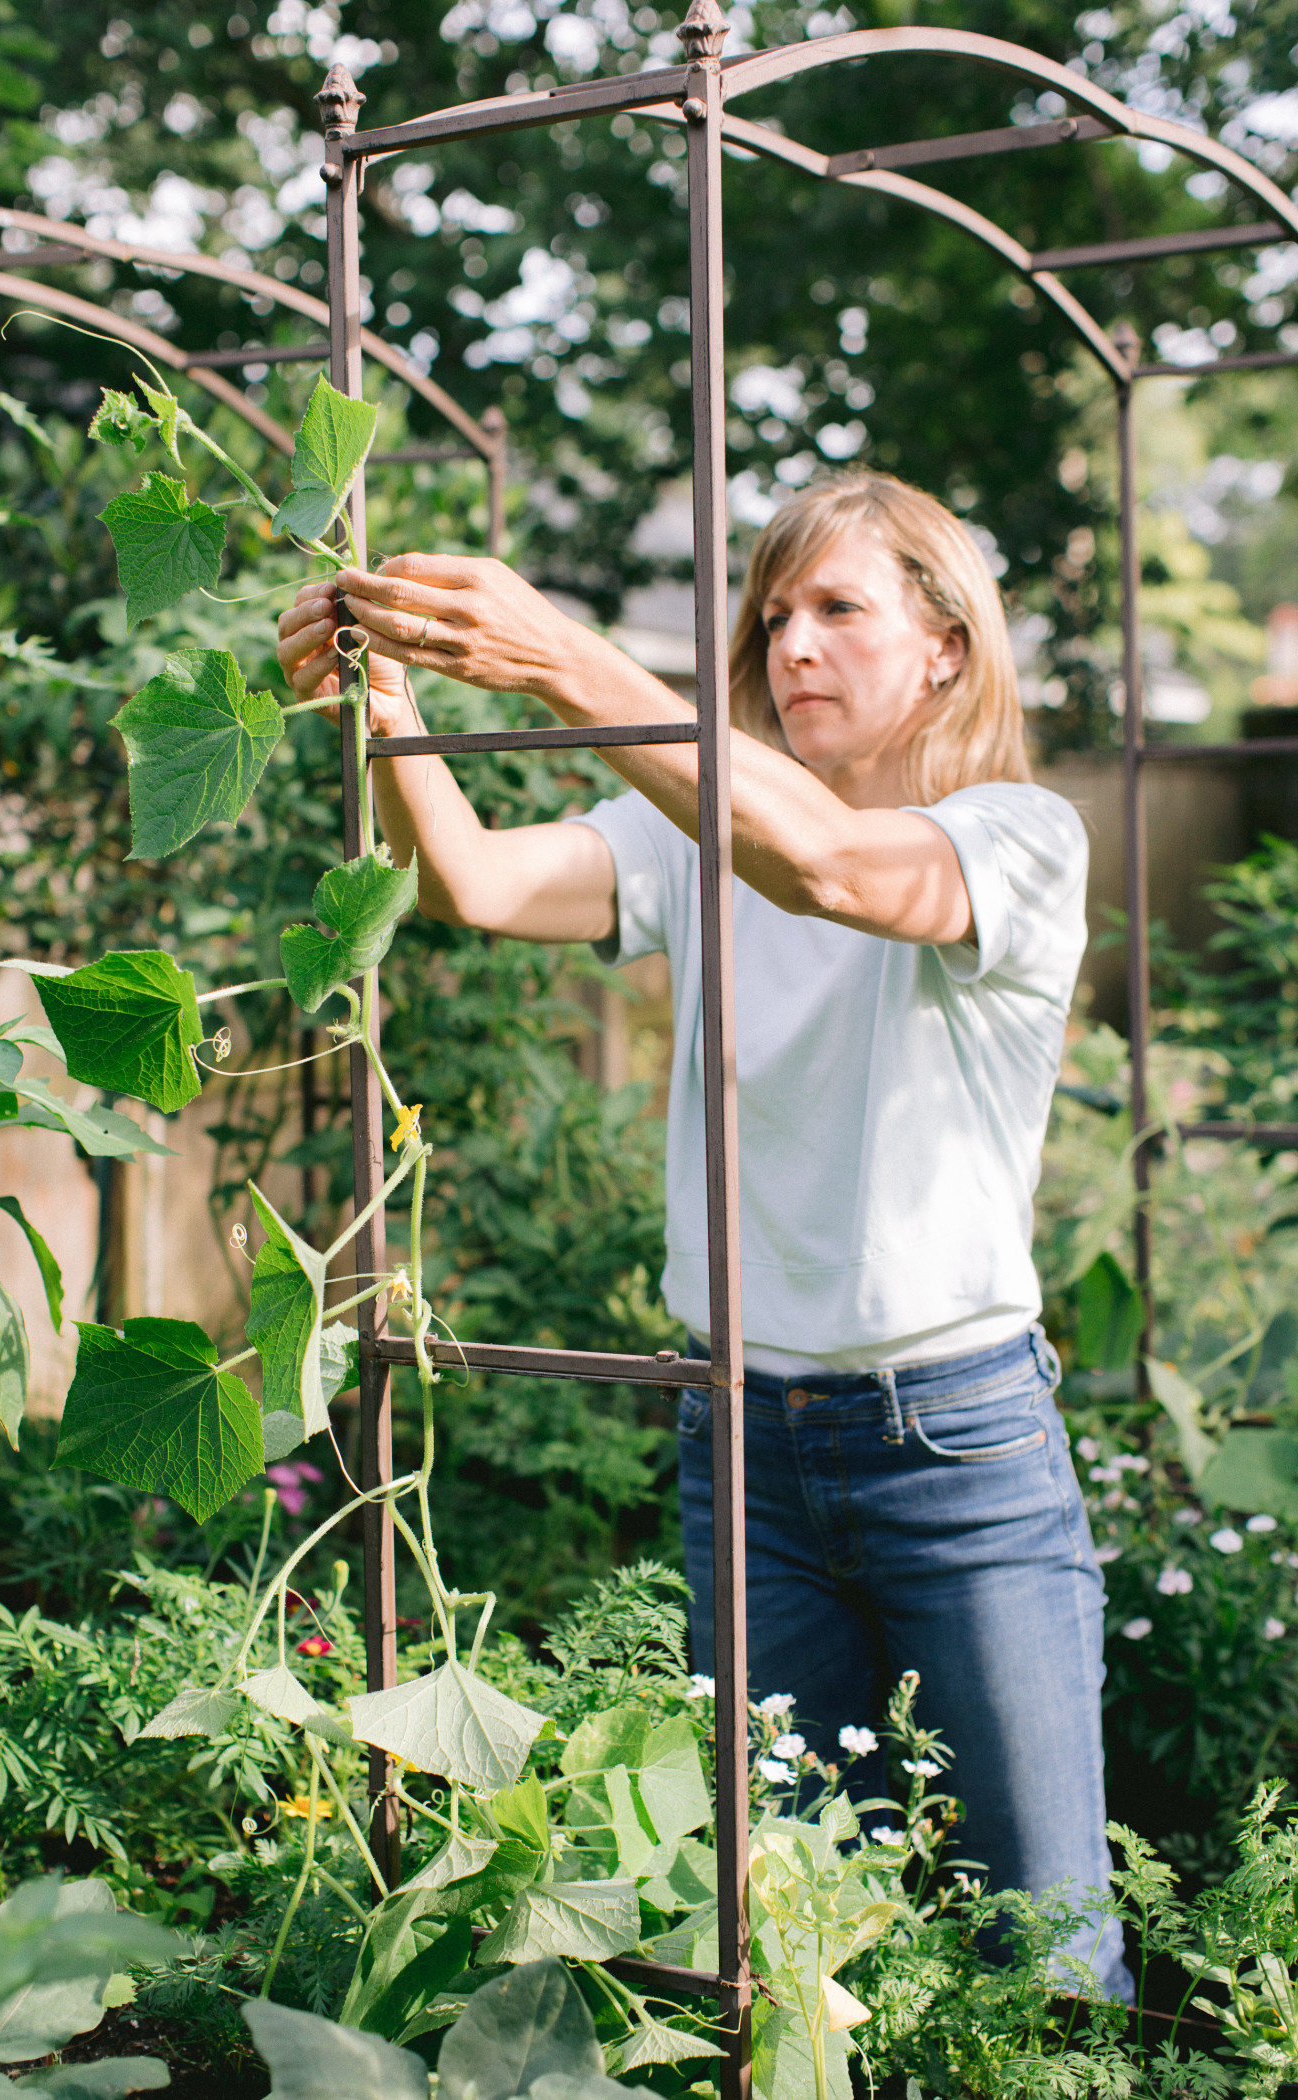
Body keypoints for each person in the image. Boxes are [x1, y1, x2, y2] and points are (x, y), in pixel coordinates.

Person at [277, 468, 1129, 1998]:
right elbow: (471, 882)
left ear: (945, 646)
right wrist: (384, 698)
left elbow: (837, 868)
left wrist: (561, 657)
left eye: (840, 609)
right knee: (798, 1941)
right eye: (774, 613)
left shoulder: (1013, 836)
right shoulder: (689, 830)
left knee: (1043, 1953)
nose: (792, 642)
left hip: (955, 1449)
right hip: (739, 1445)